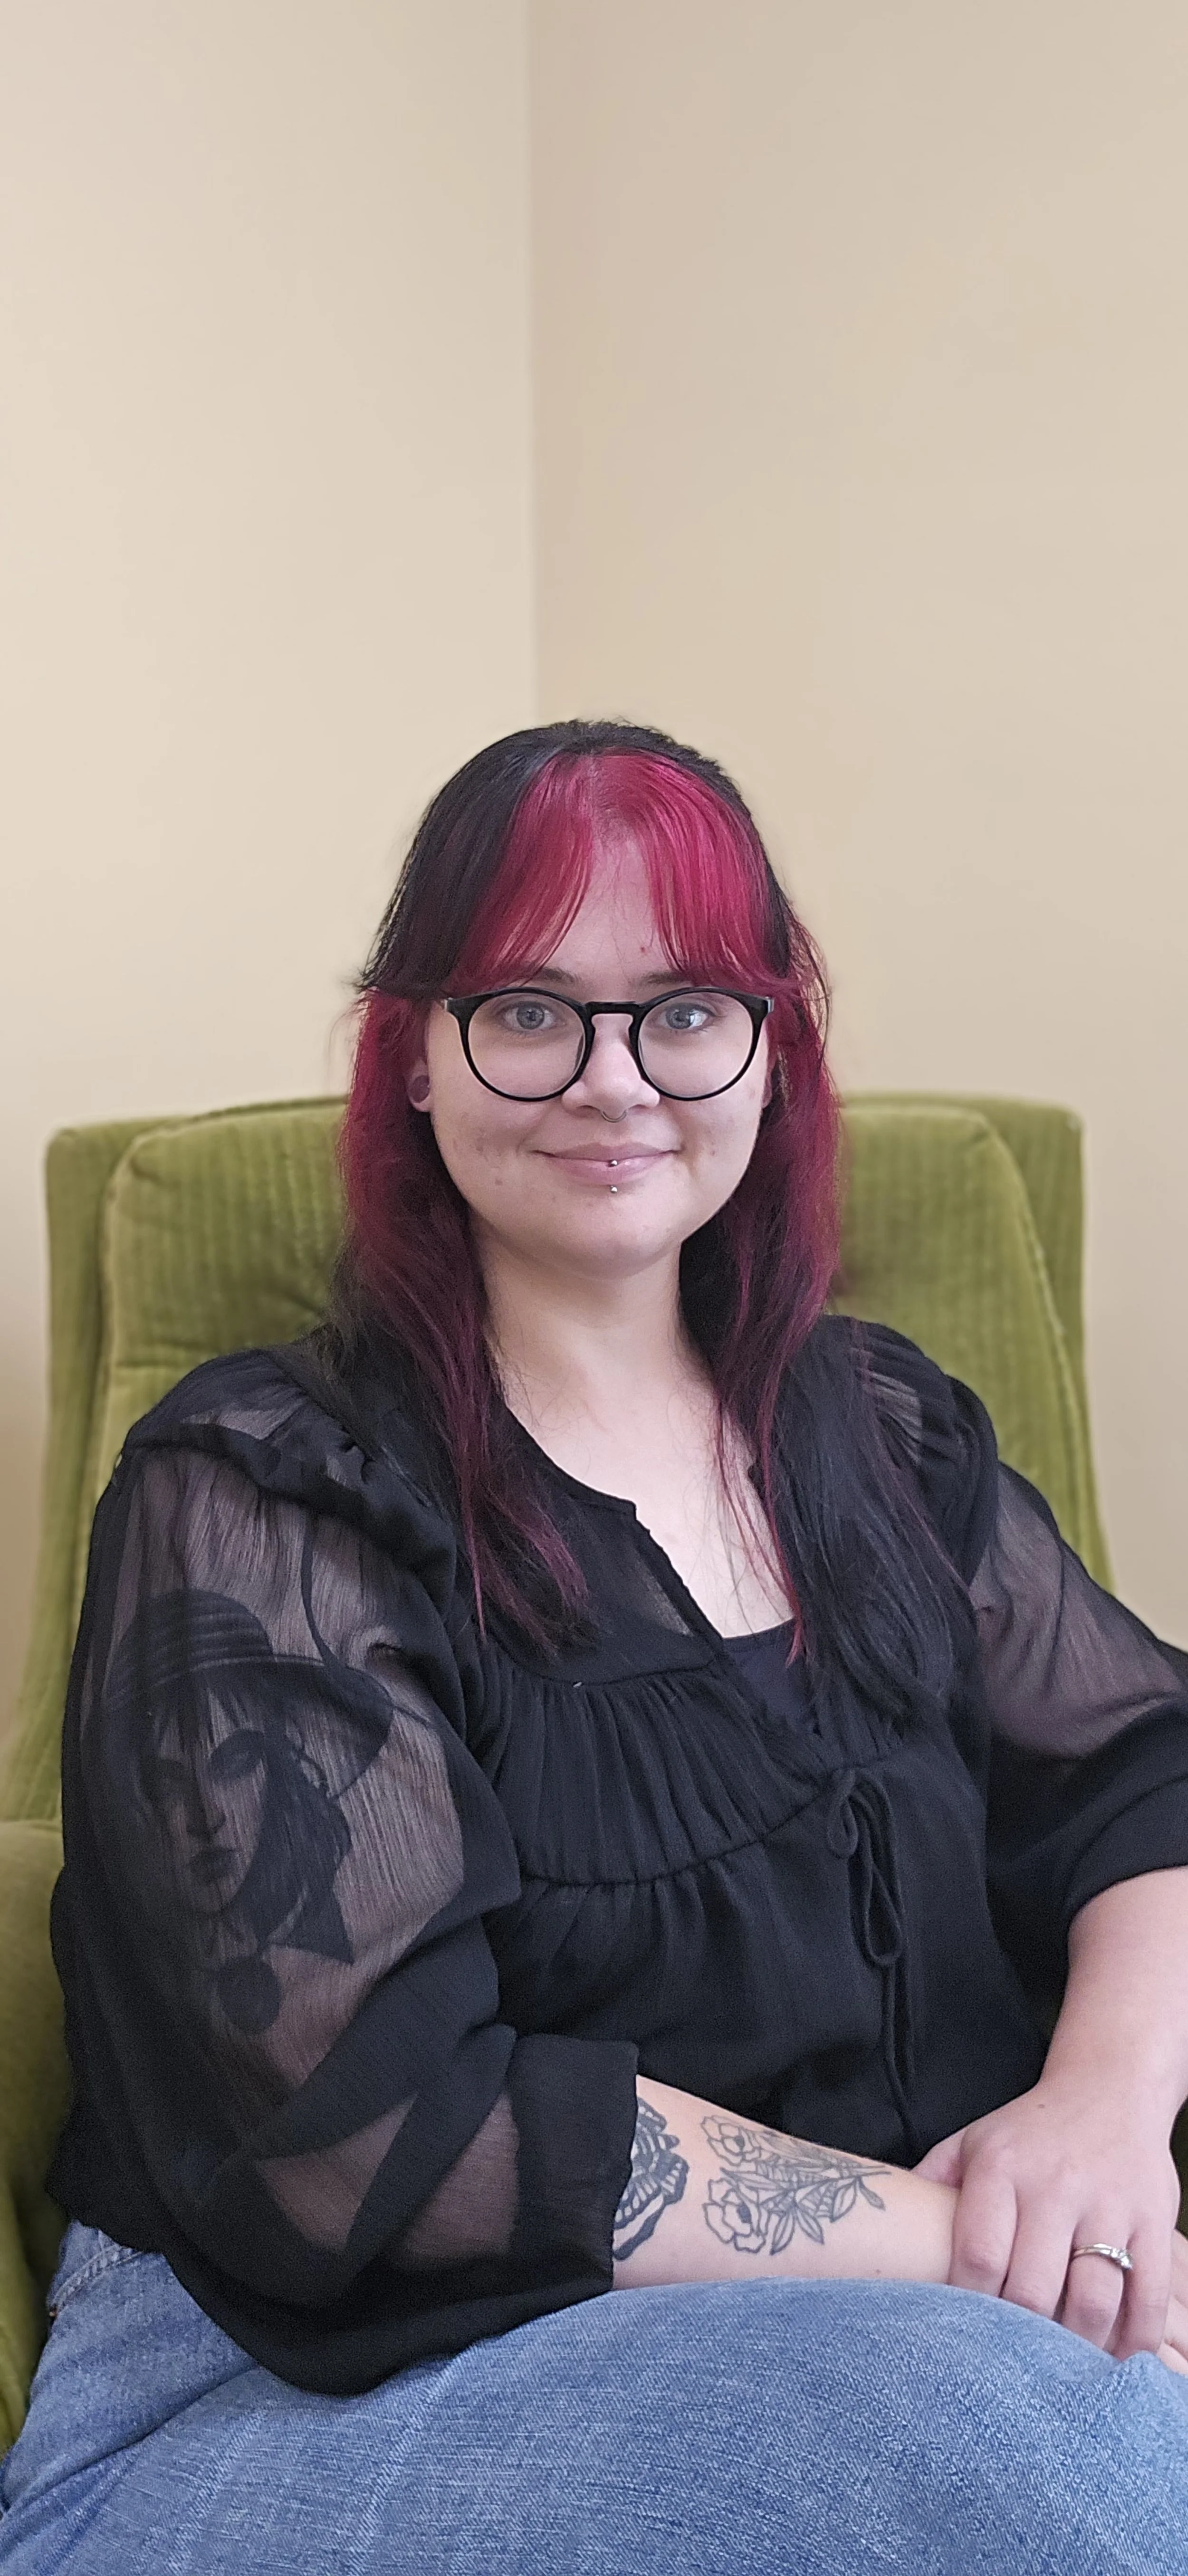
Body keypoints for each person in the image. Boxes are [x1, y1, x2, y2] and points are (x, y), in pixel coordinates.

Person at [4, 719, 1188, 2576]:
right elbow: (393, 2123)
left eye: (685, 1007)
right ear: (411, 1050)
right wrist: (1029, 2259)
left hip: (908, 2321)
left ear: (769, 1044)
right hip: (306, 2395)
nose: (614, 1078)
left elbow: (1140, 1772)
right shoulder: (263, 1493)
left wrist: (1104, 2116)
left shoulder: (881, 1430)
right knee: (994, 2421)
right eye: (530, 1007)